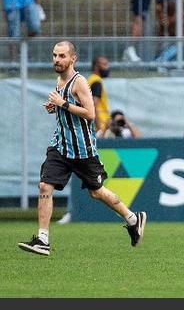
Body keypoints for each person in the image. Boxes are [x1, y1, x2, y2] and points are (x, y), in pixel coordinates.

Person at [17, 41, 146, 257]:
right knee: (44, 185)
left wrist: (63, 104)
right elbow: (65, 107)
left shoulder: (80, 82)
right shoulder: (59, 80)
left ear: (72, 59)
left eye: (61, 56)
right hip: (61, 146)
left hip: (83, 150)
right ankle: (42, 239)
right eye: (54, 55)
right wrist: (55, 107)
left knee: (97, 192)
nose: (57, 60)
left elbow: (90, 114)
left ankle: (133, 219)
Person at [86, 55, 112, 132]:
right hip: (99, 125)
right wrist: (99, 128)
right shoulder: (96, 82)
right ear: (96, 66)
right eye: (104, 64)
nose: (107, 68)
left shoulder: (91, 79)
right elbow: (93, 106)